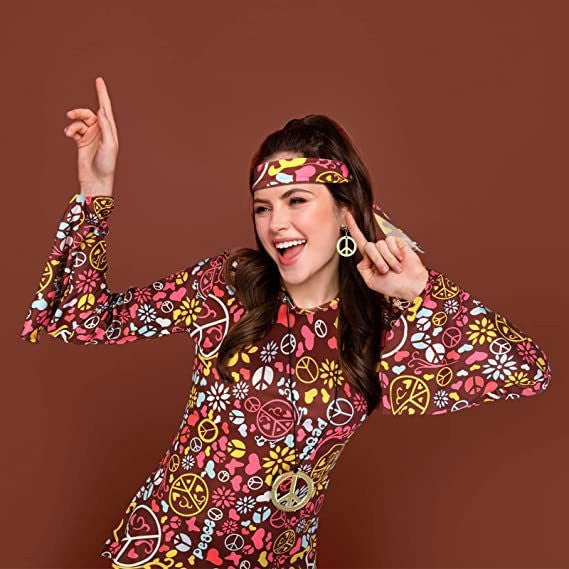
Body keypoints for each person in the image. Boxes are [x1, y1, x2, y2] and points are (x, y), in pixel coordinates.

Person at [20, 77, 551, 569]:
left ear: (345, 212)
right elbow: (81, 318)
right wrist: (97, 187)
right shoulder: (229, 287)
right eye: (263, 207)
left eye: (297, 200)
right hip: (169, 550)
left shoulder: (382, 322)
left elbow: (526, 371)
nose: (276, 224)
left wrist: (420, 292)